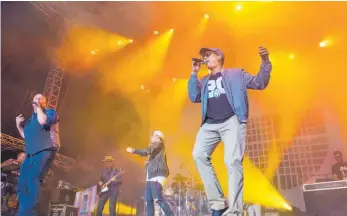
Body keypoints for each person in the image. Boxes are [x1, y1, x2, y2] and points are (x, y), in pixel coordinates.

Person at [188, 47, 272, 216]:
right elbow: (193, 96)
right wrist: (193, 74)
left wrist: (265, 62)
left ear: (219, 56)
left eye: (208, 55)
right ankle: (218, 203)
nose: (204, 58)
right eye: (203, 56)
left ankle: (234, 210)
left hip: (231, 120)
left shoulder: (236, 74)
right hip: (209, 124)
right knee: (198, 154)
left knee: (232, 161)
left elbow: (259, 83)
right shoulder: (204, 81)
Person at [15, 94, 60, 216]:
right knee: (22, 181)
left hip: (45, 149)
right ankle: (23, 212)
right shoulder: (30, 120)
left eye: (40, 98)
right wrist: (19, 126)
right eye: (35, 98)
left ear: (45, 102)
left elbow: (43, 121)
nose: (37, 100)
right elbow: (27, 137)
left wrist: (39, 107)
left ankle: (28, 212)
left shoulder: (50, 112)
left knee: (33, 179)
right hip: (31, 153)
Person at [126, 130, 174, 216]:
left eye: (153, 135)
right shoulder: (154, 149)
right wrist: (147, 164)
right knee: (148, 200)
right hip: (150, 176)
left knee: (157, 198)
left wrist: (133, 150)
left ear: (158, 138)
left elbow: (146, 151)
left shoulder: (159, 144)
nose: (151, 137)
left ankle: (170, 214)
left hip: (157, 175)